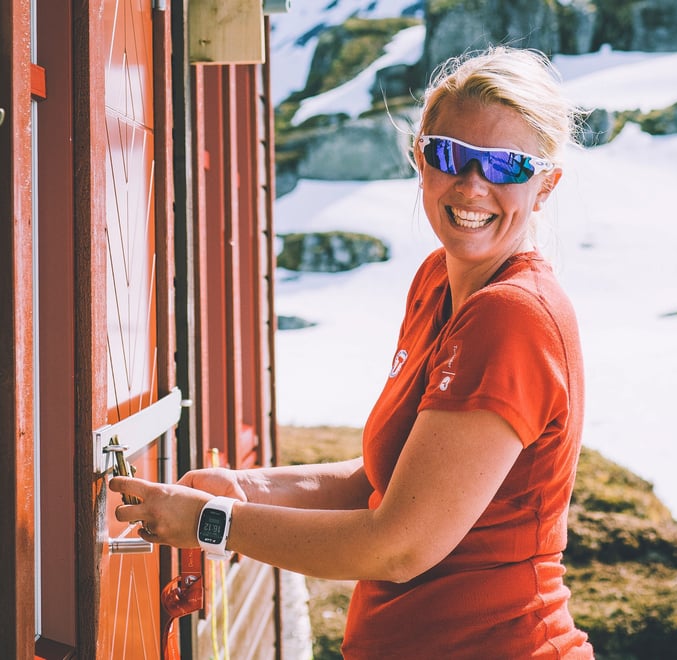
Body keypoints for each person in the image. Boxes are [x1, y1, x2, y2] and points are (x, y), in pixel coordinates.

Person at [112, 45, 594, 658]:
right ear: (420, 158)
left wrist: (212, 521)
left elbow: (399, 544)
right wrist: (240, 488)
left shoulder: (512, 316)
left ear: (545, 185)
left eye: (506, 166)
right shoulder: (438, 283)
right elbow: (387, 482)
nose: (473, 185)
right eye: (450, 155)